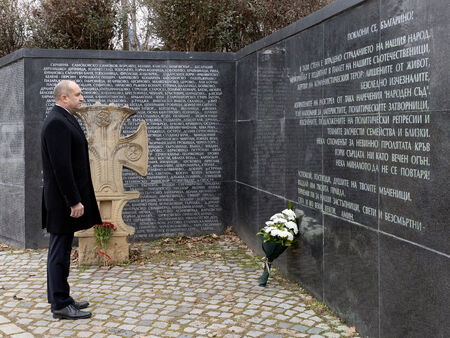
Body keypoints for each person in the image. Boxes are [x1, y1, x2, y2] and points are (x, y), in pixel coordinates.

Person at [41, 80, 102, 319]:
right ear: (64, 97)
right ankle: (59, 304)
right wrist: (73, 201)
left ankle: (63, 298)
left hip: (63, 200)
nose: (82, 98)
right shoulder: (57, 122)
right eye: (77, 94)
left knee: (63, 250)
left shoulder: (64, 118)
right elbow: (61, 168)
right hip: (62, 202)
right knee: (59, 251)